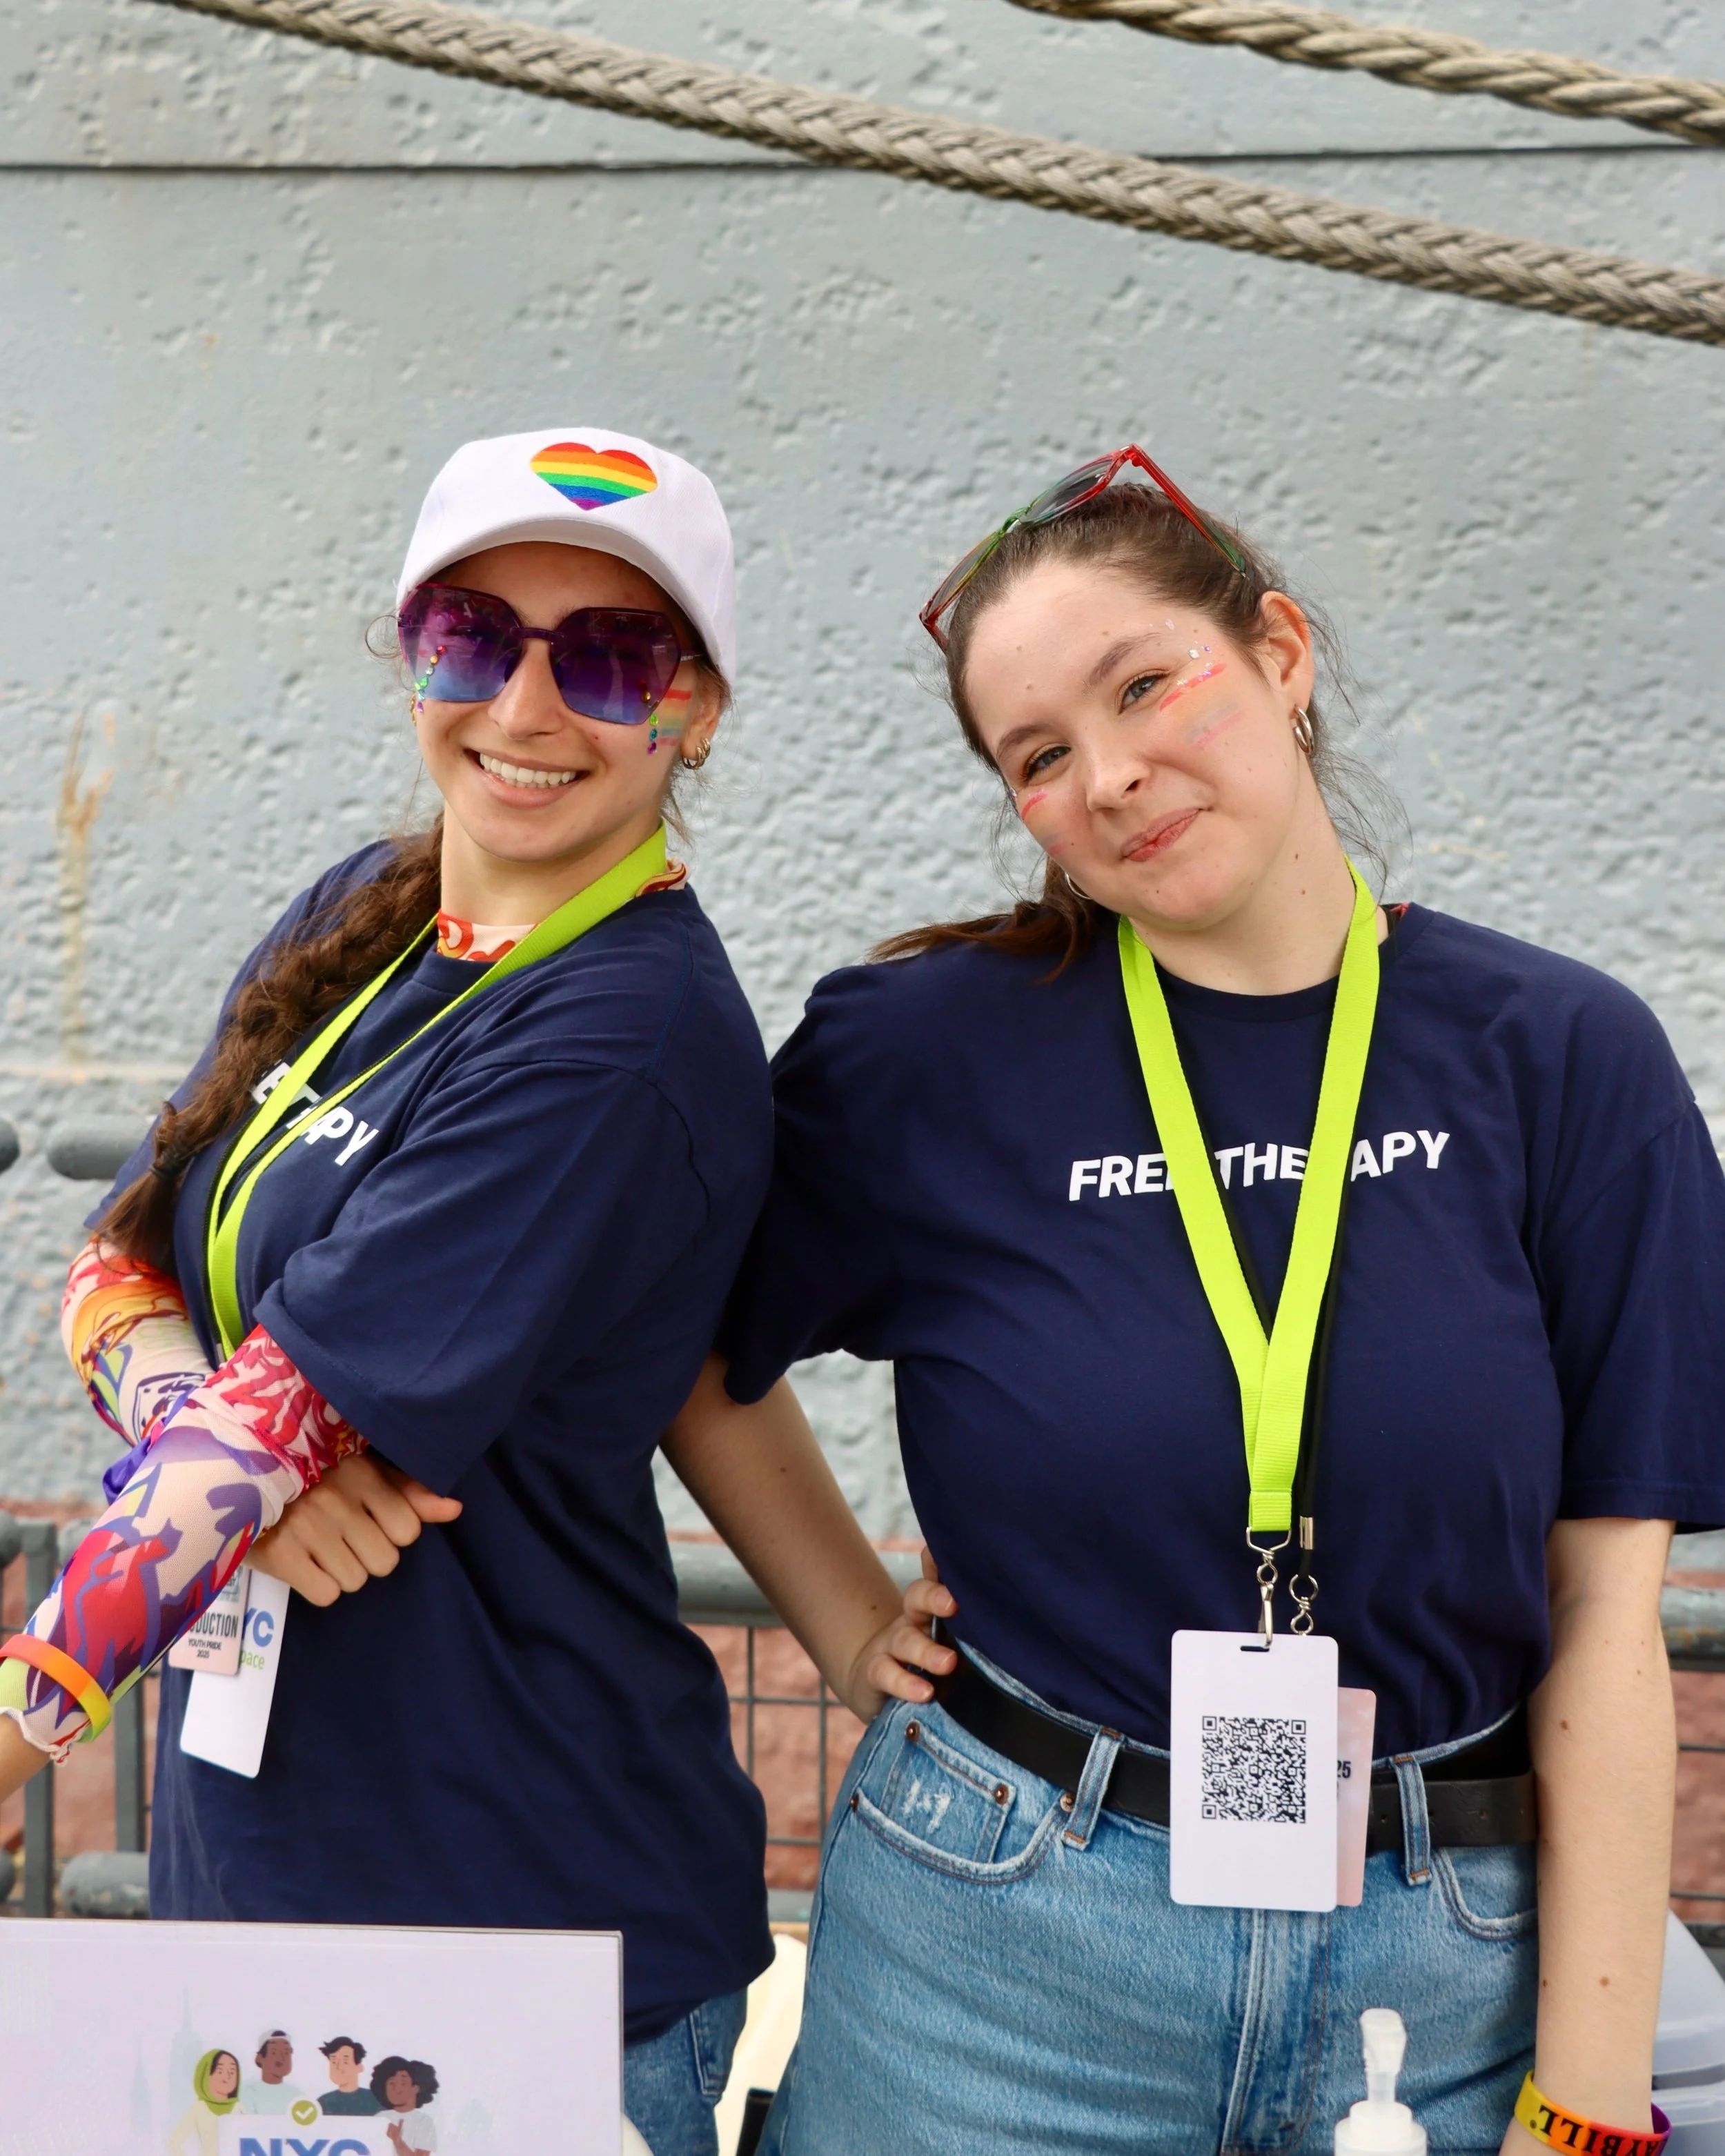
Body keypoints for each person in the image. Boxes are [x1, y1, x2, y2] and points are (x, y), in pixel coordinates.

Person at [669, 452, 1725, 2154]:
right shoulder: (924, 1054)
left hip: (1439, 1966)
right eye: (1037, 755)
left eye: (1145, 683)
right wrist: (848, 1622)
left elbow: (1608, 1627)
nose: (1109, 776)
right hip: (999, 1963)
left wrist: (1585, 2106)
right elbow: (687, 1352)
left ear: (1282, 652)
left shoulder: (1563, 1055)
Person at [0, 429, 934, 2156]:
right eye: (470, 633)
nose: (525, 700)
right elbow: (119, 1258)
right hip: (272, 1879)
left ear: (698, 712)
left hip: (503, 1913)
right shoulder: (364, 912)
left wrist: (218, 1488)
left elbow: (276, 1419)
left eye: (610, 657)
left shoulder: (624, 1029)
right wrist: (204, 1454)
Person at [168, 2050, 242, 2156]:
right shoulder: (199, 2109)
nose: (227, 2077)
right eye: (220, 2071)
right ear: (205, 2075)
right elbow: (174, 2143)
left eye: (232, 2071)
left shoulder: (239, 2108)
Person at [371, 2057, 439, 2152]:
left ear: (416, 2088)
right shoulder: (379, 2118)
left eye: (403, 2083)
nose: (397, 2089)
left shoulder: (423, 2121)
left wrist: (398, 2142)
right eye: (391, 2083)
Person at [242, 2029, 307, 2113]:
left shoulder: (298, 2095)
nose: (282, 2058)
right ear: (260, 2058)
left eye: (286, 2053)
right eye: (274, 2052)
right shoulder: (249, 2092)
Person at [319, 2037, 382, 2116]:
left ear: (359, 2067)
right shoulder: (323, 2103)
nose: (338, 2067)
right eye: (334, 2062)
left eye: (345, 2062)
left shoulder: (375, 2101)